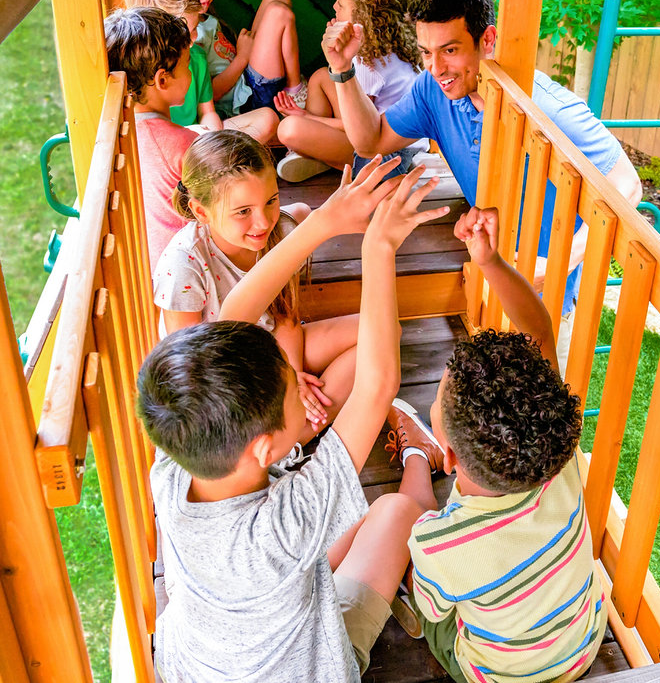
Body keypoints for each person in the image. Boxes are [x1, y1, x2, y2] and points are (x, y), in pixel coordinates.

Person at [136, 160, 450, 682]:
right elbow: (375, 387)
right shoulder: (284, 525)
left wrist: (323, 222)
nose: (300, 389)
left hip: (203, 662)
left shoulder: (171, 468)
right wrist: (377, 247)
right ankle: (418, 454)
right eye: (290, 390)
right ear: (262, 447)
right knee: (395, 510)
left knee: (343, 530)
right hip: (308, 665)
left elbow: (233, 315)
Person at [322, 0, 642, 374]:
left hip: (546, 297)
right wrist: (342, 71)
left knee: (541, 416)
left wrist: (553, 267)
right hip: (492, 266)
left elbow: (629, 188)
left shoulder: (547, 107)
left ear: (486, 40)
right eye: (425, 52)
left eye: (450, 50)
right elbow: (370, 141)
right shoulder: (431, 90)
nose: (437, 67)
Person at [404, 205, 606, 683]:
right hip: (584, 644)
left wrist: (420, 550)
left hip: (499, 676)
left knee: (406, 524)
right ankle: (418, 447)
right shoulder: (557, 456)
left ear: (450, 457)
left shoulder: (442, 546)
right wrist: (491, 262)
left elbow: (431, 607)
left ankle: (415, 455)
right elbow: (539, 332)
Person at [154, 129, 355, 438]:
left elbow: (285, 315)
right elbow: (190, 373)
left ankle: (299, 429)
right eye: (243, 212)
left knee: (377, 330)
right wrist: (278, 385)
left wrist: (292, 374)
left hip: (273, 347)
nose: (263, 222)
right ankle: (293, 435)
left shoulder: (279, 232)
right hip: (219, 373)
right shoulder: (183, 265)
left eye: (271, 201)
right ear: (200, 211)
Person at [274, 0, 424, 182]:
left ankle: (322, 156)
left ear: (363, 16)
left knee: (289, 129)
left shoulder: (369, 64)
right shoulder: (392, 41)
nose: (334, 7)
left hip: (387, 158)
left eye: (341, 4)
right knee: (321, 77)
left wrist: (308, 118)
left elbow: (362, 130)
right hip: (399, 143)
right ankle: (320, 154)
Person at [124, 0, 278, 142]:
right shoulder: (142, 75)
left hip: (199, 137)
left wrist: (209, 136)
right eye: (188, 32)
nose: (195, 36)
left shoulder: (197, 57)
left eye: (196, 27)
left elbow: (208, 112)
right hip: (169, 141)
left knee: (268, 119)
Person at [160, 0, 305, 116]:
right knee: (279, 12)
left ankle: (291, 84)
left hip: (244, 76)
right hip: (246, 99)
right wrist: (243, 57)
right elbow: (210, 94)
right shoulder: (188, 34)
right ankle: (295, 90)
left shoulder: (204, 17)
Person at [104, 6, 200, 270]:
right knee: (298, 214)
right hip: (189, 272)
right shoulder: (183, 144)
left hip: (145, 268)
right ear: (163, 80)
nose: (191, 74)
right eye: (187, 65)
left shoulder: (119, 134)